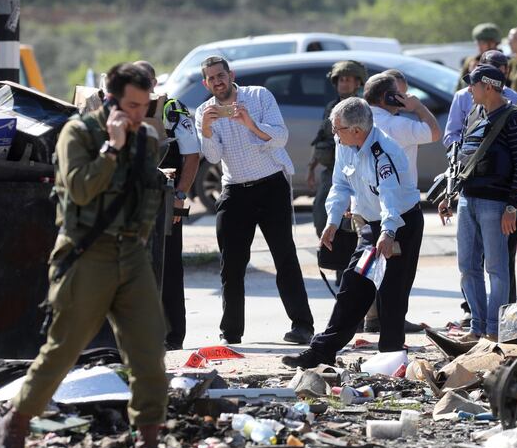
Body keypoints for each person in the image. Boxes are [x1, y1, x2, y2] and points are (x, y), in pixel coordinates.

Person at [0, 63, 177, 448]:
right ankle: (15, 422)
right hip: (87, 253)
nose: (138, 114)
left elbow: (151, 193)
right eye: (131, 105)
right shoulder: (78, 135)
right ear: (110, 99)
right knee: (63, 350)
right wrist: (110, 148)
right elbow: (78, 188)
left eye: (145, 106)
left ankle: (147, 444)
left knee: (149, 352)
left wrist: (141, 240)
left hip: (132, 256)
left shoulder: (145, 138)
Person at [282, 97, 424, 369]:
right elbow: (340, 184)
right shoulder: (344, 143)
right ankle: (323, 350)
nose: (334, 134)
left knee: (391, 293)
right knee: (353, 285)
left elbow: (389, 196)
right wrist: (332, 222)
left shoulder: (385, 152)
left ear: (357, 130)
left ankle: (392, 357)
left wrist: (389, 232)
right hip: (372, 226)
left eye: (338, 129)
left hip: (399, 225)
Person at [195, 55, 314, 345]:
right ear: (205, 83)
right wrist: (207, 130)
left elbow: (281, 137)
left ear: (231, 74)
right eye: (211, 78)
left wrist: (250, 123)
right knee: (232, 264)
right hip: (235, 189)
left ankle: (302, 326)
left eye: (221, 75)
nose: (217, 81)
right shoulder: (203, 111)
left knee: (284, 256)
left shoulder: (259, 96)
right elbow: (212, 157)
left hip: (271, 184)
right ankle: (231, 333)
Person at [438, 65, 517, 342]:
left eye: (474, 84)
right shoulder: (475, 114)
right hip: (468, 199)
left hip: (496, 204)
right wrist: (450, 194)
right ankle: (477, 327)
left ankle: (494, 329)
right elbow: (465, 159)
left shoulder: (516, 119)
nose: (469, 89)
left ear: (489, 86)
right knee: (467, 266)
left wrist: (512, 206)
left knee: (496, 267)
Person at [361, 73, 439, 333]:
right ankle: (391, 323)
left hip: (366, 205)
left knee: (370, 266)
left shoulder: (358, 119)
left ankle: (372, 318)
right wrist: (417, 107)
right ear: (387, 97)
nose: (404, 98)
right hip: (399, 207)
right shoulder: (399, 125)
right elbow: (435, 132)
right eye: (399, 94)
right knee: (398, 272)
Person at [134, 60, 200, 351]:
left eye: (144, 80)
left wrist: (180, 197)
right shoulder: (119, 109)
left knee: (168, 267)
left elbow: (192, 155)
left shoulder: (172, 110)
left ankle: (173, 336)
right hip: (131, 203)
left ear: (154, 83)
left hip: (164, 200)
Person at [306, 60, 368, 238]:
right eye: (341, 80)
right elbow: (321, 138)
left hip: (358, 171)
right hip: (332, 170)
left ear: (357, 83)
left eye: (348, 80)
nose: (344, 83)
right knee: (321, 214)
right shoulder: (331, 107)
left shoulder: (362, 108)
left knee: (355, 220)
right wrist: (311, 168)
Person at [444, 50, 517, 147]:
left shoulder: (516, 99)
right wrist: (469, 150)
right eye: (491, 72)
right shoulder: (462, 97)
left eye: (501, 74)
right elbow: (450, 136)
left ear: (507, 72)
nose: (497, 78)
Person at [456, 22, 503, 92]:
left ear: (493, 43)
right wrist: (471, 74)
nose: (479, 46)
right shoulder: (471, 62)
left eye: (482, 43)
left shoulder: (505, 63)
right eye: (478, 43)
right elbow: (460, 88)